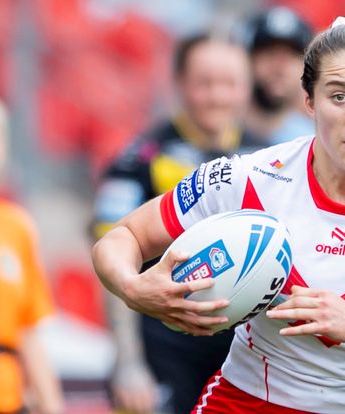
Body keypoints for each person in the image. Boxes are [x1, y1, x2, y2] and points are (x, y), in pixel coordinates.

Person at [92, 10, 345, 413]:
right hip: (250, 403)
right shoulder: (251, 177)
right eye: (338, 95)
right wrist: (133, 287)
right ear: (308, 101)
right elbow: (122, 238)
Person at [92, 33, 260, 414]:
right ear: (181, 84)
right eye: (205, 83)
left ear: (247, 87)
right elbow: (111, 254)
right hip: (162, 351)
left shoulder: (266, 160)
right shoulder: (141, 158)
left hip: (241, 358)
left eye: (229, 83)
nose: (218, 96)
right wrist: (129, 363)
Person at [0, 87, 63, 414]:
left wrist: (51, 405)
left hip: (5, 398)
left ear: (2, 150)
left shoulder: (16, 226)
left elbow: (28, 330)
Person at [238, 6, 315, 146]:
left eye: (291, 55)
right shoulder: (219, 131)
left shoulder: (313, 142)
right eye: (269, 54)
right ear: (247, 60)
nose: (279, 67)